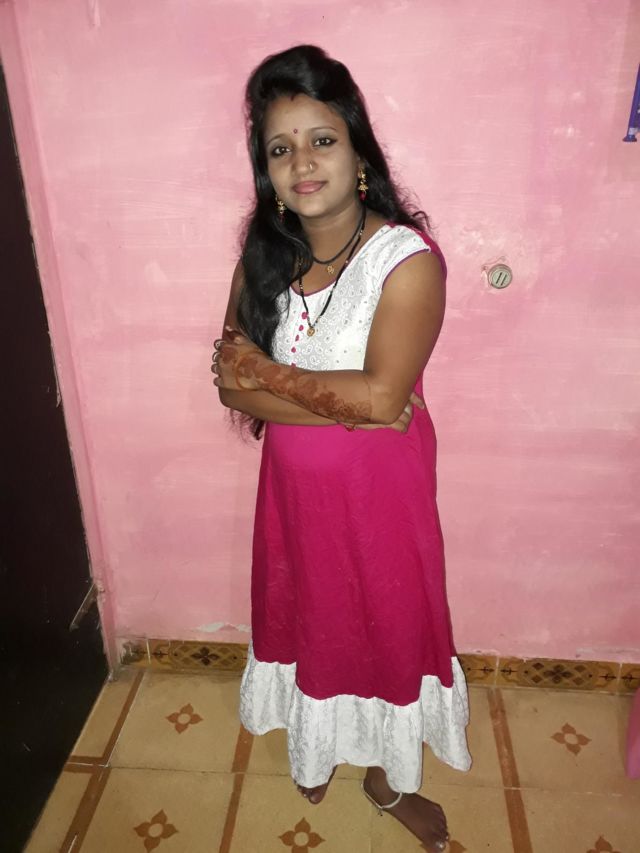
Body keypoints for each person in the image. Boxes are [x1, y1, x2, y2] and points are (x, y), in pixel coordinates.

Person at [211, 44, 471, 852]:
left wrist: (275, 376)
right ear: (266, 172)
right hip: (293, 500)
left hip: (381, 499)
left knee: (386, 624)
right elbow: (229, 386)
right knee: (310, 619)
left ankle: (388, 778)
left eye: (321, 139)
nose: (301, 162)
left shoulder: (406, 261)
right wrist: (349, 401)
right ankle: (319, 741)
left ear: (359, 154)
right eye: (279, 148)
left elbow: (384, 399)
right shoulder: (265, 257)